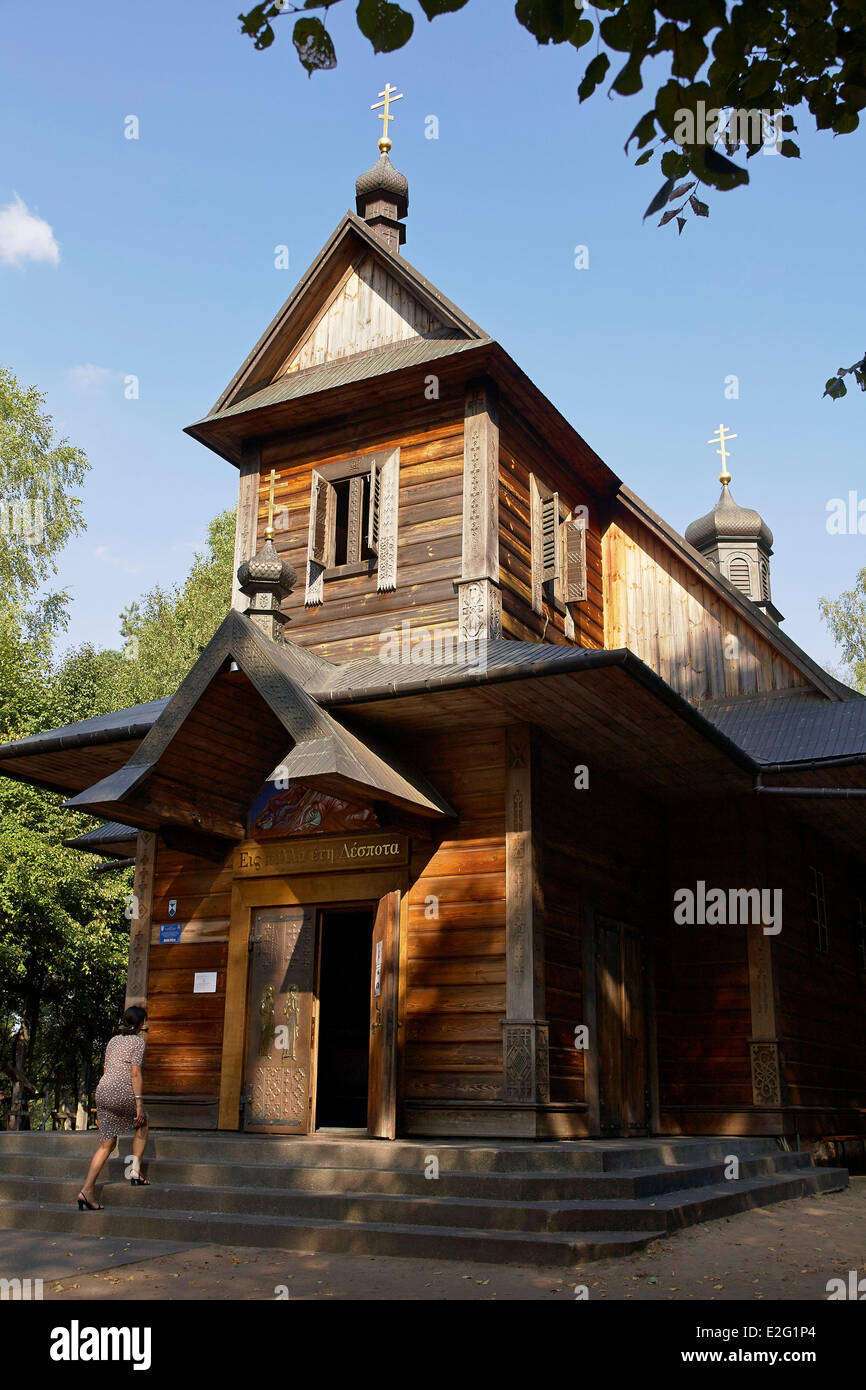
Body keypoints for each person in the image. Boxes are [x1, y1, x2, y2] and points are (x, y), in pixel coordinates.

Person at [77, 1005, 150, 1211]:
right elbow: (135, 1073)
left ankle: (86, 1190)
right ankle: (135, 1170)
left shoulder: (112, 1041)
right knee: (143, 1122)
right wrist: (138, 1104)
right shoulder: (138, 1042)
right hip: (122, 1092)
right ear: (141, 1024)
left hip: (103, 1091)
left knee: (106, 1145)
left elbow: (106, 1068)